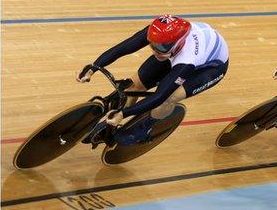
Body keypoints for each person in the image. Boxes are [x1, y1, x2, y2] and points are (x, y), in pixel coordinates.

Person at [77, 14, 229, 145]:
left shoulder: (188, 59)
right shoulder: (159, 33)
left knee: (168, 98)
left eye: (160, 47)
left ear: (178, 43)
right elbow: (122, 48)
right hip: (176, 54)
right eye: (152, 44)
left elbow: (159, 96)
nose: (155, 50)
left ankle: (146, 128)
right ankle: (116, 120)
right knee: (133, 86)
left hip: (211, 68)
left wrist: (124, 113)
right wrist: (94, 66)